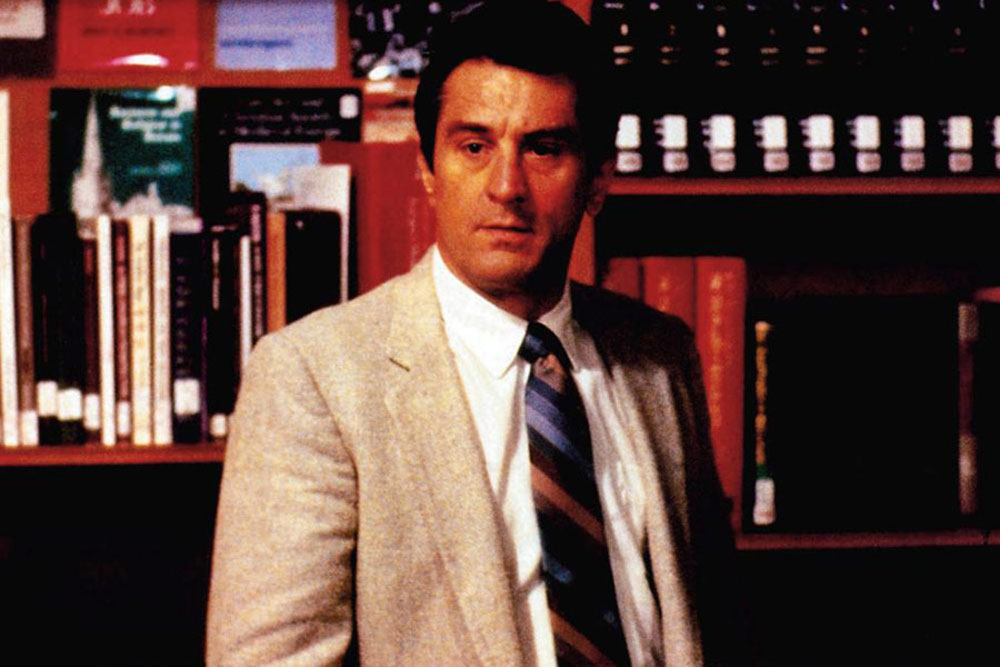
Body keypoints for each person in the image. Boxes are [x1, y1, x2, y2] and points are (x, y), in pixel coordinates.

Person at [206, 1, 742, 665]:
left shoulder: (660, 354)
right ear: (429, 170)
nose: (506, 186)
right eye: (474, 147)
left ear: (598, 178)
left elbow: (716, 620)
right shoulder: (313, 377)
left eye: (544, 148)